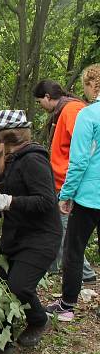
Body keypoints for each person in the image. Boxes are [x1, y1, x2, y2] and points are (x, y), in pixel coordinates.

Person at [0, 109, 61, 354]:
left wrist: (9, 201)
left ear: (9, 137)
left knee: (18, 287)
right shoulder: (11, 161)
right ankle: (1, 346)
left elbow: (45, 201)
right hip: (16, 237)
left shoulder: (33, 160)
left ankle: (38, 320)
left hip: (41, 238)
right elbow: (4, 203)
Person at [48, 65, 100, 322]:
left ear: (92, 85)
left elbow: (78, 161)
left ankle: (67, 305)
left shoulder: (89, 115)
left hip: (90, 196)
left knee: (74, 249)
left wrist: (66, 194)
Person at [32, 79, 96, 283]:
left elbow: (83, 152)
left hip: (73, 184)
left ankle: (85, 275)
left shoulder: (73, 111)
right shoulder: (65, 111)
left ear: (48, 97)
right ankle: (53, 268)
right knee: (59, 228)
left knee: (67, 234)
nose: (40, 106)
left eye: (39, 101)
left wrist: (70, 187)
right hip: (64, 181)